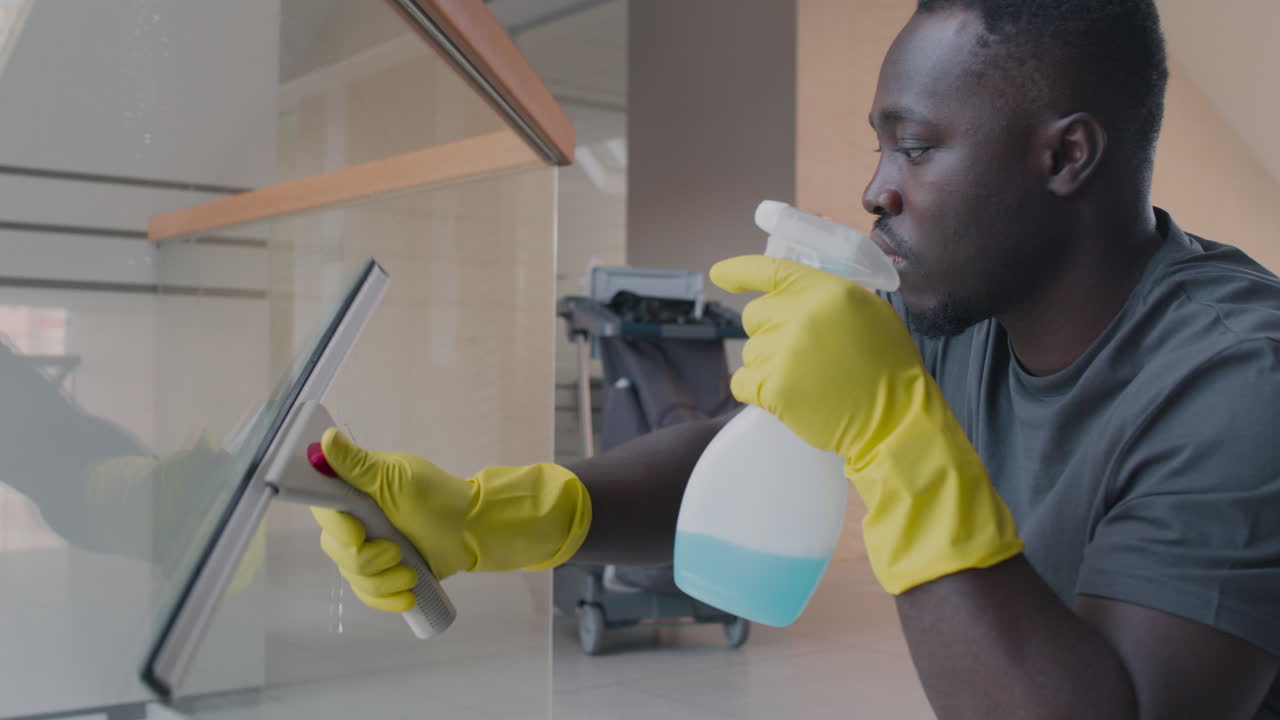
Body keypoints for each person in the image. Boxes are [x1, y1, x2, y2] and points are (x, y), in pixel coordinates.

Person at [310, 0, 1280, 716]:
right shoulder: (968, 309)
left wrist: (894, 433)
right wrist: (504, 516)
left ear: (1064, 157)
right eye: (879, 148)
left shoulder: (1239, 384)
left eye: (913, 148)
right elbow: (751, 444)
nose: (873, 190)